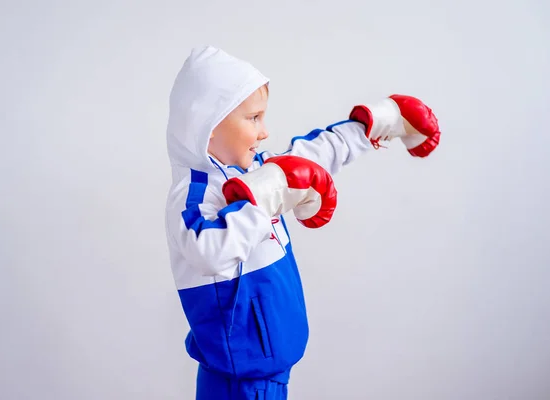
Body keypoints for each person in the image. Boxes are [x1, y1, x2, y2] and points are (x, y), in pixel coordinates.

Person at [164, 45, 440, 400]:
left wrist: (378, 122)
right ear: (209, 124)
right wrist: (263, 198)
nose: (264, 131)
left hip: (269, 375)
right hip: (238, 385)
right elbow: (207, 252)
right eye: (254, 118)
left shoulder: (252, 172)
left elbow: (312, 154)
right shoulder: (194, 193)